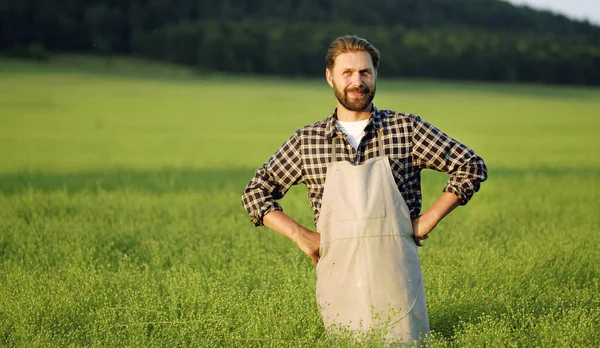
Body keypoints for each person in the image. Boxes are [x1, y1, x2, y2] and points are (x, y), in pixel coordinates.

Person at [241, 35, 487, 345]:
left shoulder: (405, 129)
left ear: (375, 75)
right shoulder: (308, 141)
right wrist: (300, 235)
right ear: (330, 76)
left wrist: (428, 220)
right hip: (338, 276)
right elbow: (256, 193)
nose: (357, 81)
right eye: (347, 73)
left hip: (397, 278)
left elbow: (470, 165)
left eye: (365, 72)